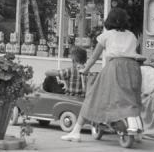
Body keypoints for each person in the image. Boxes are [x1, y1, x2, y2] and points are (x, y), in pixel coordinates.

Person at [60, 7, 143, 142]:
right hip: (133, 68)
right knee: (130, 98)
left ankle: (76, 131)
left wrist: (85, 70)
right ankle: (137, 131)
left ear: (109, 20)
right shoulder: (131, 36)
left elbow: (93, 57)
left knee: (93, 96)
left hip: (115, 68)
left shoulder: (107, 35)